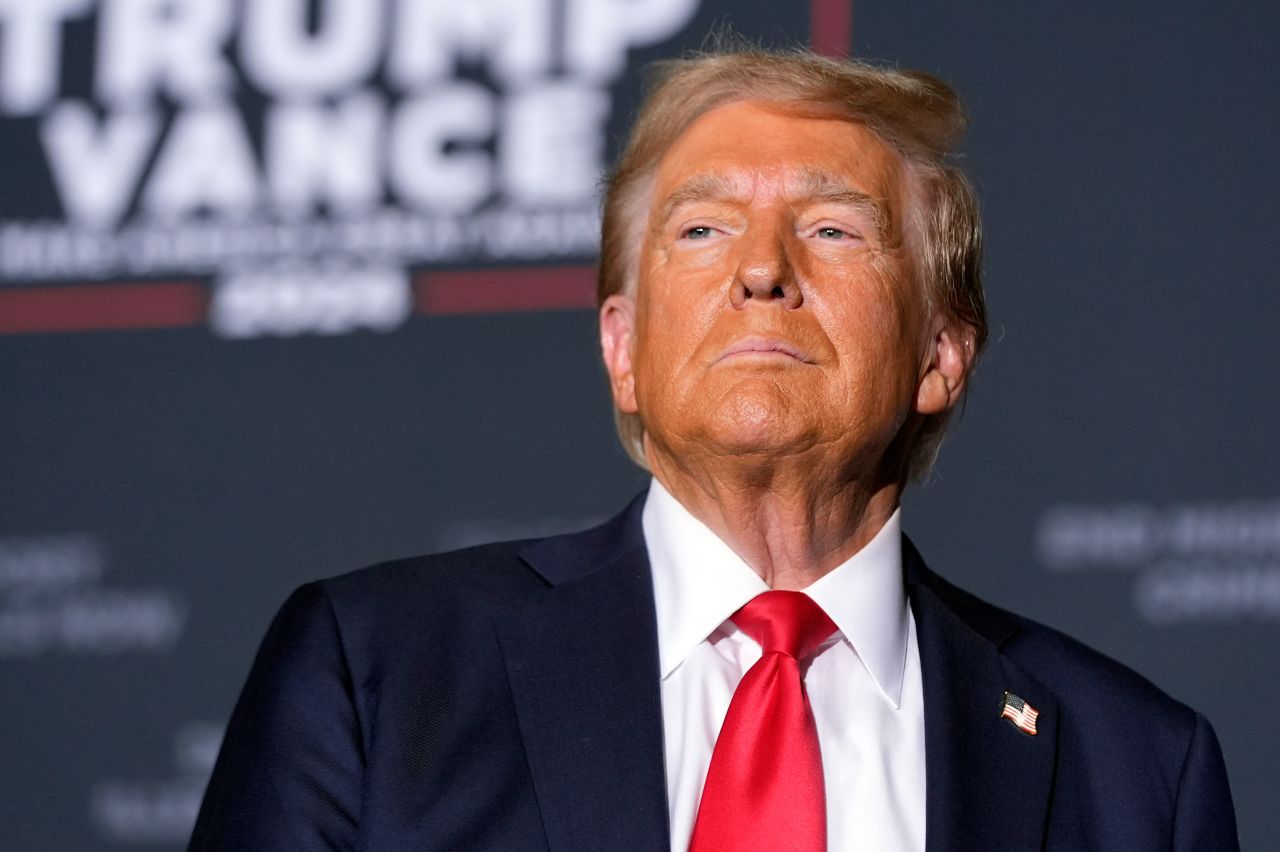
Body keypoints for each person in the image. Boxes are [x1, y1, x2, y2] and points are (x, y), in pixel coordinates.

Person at [190, 48, 1238, 851]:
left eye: (832, 229)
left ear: (938, 353)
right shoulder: (375, 673)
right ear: (621, 349)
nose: (761, 271)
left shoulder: (1134, 767)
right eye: (699, 231)